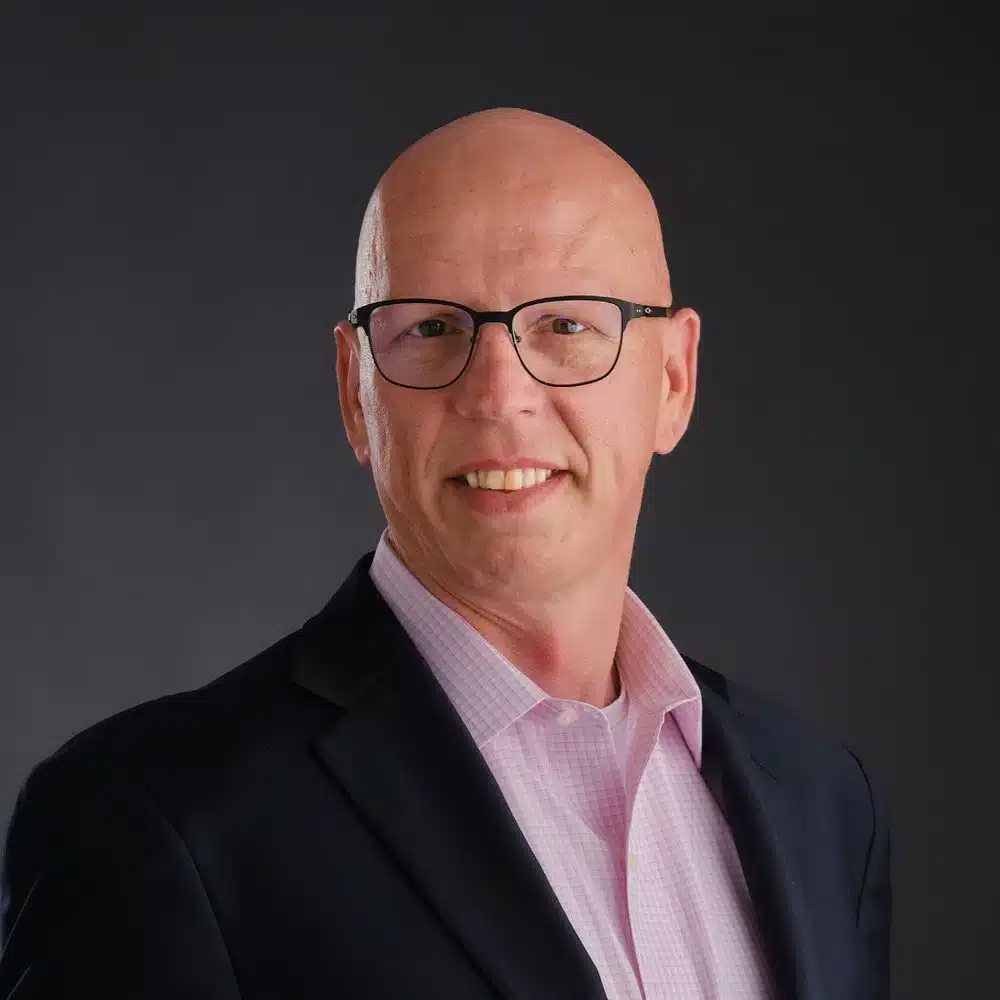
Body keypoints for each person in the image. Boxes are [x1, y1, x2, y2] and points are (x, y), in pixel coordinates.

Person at [0, 107, 890, 999]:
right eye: (431, 328)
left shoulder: (819, 803)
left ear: (673, 380)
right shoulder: (156, 820)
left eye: (567, 326)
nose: (499, 395)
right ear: (355, 392)